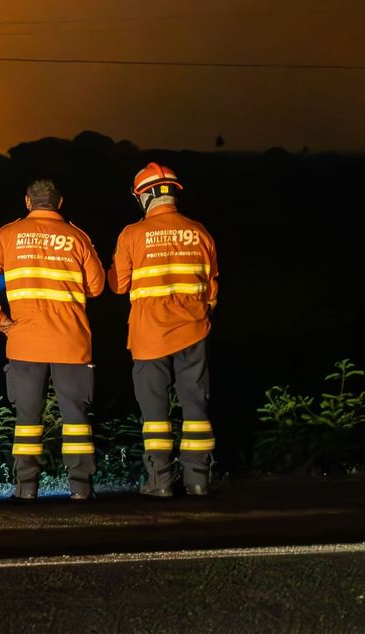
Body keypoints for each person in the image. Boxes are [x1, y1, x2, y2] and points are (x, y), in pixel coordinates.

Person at [0, 179, 107, 500]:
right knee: (76, 418)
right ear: (60, 203)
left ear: (27, 202)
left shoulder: (7, 235)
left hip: (25, 342)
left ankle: (26, 489)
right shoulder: (77, 236)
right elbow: (97, 287)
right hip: (72, 342)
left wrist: (1, 322)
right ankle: (81, 490)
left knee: (27, 418)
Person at [108, 162, 219, 497]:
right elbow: (211, 286)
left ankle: (160, 483)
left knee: (155, 413)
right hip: (193, 330)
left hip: (149, 335)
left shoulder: (132, 234)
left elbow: (117, 284)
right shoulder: (200, 231)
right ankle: (198, 480)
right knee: (196, 408)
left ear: (145, 195)